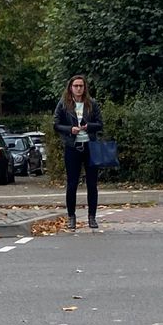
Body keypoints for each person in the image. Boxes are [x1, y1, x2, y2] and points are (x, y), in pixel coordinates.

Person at [52, 74, 104, 230]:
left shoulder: (91, 104)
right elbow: (56, 124)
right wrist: (70, 129)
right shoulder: (64, 104)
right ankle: (71, 217)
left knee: (92, 184)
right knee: (72, 183)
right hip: (72, 146)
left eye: (81, 86)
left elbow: (100, 124)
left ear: (85, 88)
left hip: (89, 146)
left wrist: (89, 127)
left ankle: (92, 217)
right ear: (70, 87)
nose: (79, 88)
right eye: (76, 86)